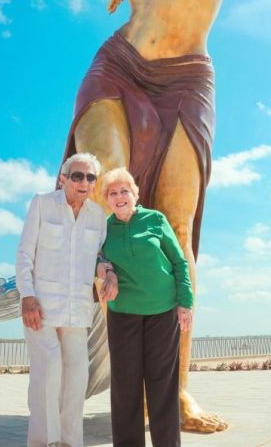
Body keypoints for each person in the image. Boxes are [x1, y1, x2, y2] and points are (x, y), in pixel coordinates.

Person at [58, 0, 228, 432]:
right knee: (105, 193)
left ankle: (177, 390)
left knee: (177, 228)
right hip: (117, 68)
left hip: (185, 80)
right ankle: (76, 307)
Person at [16, 153, 114, 447]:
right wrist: (27, 296)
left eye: (90, 177)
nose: (83, 182)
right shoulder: (42, 204)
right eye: (77, 176)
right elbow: (24, 254)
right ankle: (44, 442)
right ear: (63, 178)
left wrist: (107, 272)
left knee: (76, 377)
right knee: (49, 372)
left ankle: (71, 442)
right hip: (41, 306)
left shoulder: (98, 216)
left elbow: (97, 255)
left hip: (78, 309)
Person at [97, 168, 192, 447]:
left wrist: (185, 303)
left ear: (134, 194)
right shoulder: (104, 228)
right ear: (107, 200)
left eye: (124, 191)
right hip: (123, 313)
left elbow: (179, 262)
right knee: (125, 386)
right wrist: (106, 270)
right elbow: (93, 257)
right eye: (112, 193)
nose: (119, 197)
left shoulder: (155, 219)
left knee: (162, 385)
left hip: (162, 311)